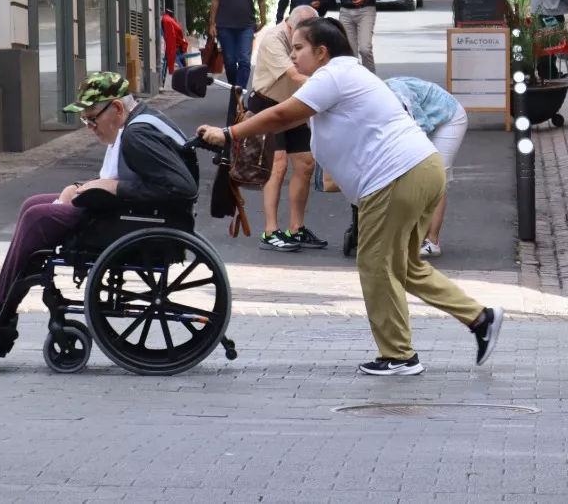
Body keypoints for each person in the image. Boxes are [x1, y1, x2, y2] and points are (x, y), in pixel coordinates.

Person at [198, 19, 503, 376]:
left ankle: (400, 355)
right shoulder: (343, 76)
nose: (292, 55)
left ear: (322, 52)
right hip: (421, 169)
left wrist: (228, 134)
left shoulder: (334, 76)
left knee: (374, 264)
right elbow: (284, 118)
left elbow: (282, 115)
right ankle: (480, 319)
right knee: (405, 266)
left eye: (298, 48)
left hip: (394, 177)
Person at [0, 73, 197, 355]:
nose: (90, 127)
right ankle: (0, 313)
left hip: (139, 221)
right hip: (132, 213)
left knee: (37, 217)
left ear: (118, 109)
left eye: (93, 118)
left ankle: (0, 316)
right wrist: (88, 187)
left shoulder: (137, 135)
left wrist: (114, 188)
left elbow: (182, 189)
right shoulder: (138, 122)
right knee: (33, 204)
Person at [248, 5, 326, 252]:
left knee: (305, 163)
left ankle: (296, 228)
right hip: (267, 102)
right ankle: (270, 231)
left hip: (294, 104)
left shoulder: (311, 37)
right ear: (289, 25)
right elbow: (295, 75)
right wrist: (331, 83)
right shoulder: (274, 39)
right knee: (277, 163)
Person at [385, 76, 467, 259]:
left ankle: (432, 241)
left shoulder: (398, 96)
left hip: (449, 118)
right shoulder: (376, 102)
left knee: (435, 176)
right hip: (428, 119)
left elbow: (419, 129)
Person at [210, 0, 267, 122]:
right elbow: (215, 0)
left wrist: (263, 19)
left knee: (244, 60)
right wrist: (212, 23)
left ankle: (238, 95)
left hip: (246, 26)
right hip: (225, 25)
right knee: (229, 61)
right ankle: (236, 90)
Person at [159, 8, 188, 87]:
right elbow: (171, 37)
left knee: (182, 64)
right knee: (182, 65)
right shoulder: (169, 21)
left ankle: (186, 79)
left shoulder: (168, 20)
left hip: (177, 44)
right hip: (176, 45)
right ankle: (187, 80)